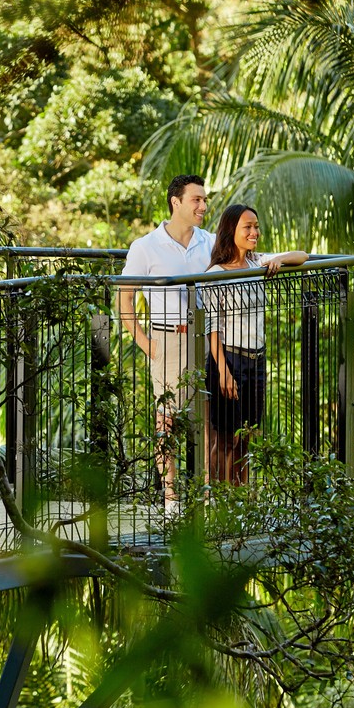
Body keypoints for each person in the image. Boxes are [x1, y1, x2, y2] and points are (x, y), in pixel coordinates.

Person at [117, 174, 212, 510]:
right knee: (166, 421)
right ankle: (170, 498)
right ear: (176, 202)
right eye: (196, 200)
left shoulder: (210, 242)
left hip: (206, 340)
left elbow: (245, 260)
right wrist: (147, 345)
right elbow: (124, 298)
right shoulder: (145, 247)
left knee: (207, 419)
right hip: (167, 339)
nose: (203, 206)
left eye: (204, 199)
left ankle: (206, 495)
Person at [202, 204, 309, 485]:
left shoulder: (256, 262)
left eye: (256, 226)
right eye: (247, 227)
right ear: (230, 231)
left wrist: (280, 260)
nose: (254, 232)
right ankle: (216, 501)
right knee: (225, 437)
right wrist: (223, 372)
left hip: (256, 361)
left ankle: (243, 501)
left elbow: (303, 256)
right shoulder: (215, 273)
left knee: (247, 436)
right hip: (228, 360)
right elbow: (212, 329)